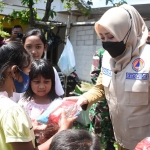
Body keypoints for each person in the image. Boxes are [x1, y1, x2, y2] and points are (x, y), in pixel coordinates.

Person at [64, 4, 150, 150]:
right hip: (121, 138)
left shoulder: (148, 58)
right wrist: (84, 99)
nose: (106, 42)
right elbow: (100, 88)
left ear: (126, 32)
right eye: (102, 37)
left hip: (145, 142)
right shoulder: (108, 58)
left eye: (111, 36)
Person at [0, 41, 77, 150]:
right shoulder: (13, 111)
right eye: (27, 73)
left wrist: (31, 130)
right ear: (14, 71)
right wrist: (62, 131)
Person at [18, 59, 61, 145]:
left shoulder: (58, 104)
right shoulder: (24, 104)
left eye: (46, 82)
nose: (41, 86)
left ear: (52, 82)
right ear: (29, 82)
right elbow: (19, 129)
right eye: (37, 82)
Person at [22, 28, 64, 97]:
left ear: (45, 47)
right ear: (23, 47)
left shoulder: (51, 70)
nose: (33, 52)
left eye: (38, 47)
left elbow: (59, 95)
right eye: (29, 47)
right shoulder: (18, 71)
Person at [89, 48, 115, 150]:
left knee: (111, 137)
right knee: (95, 137)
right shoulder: (100, 53)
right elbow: (94, 74)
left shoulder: (124, 52)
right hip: (102, 103)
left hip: (114, 103)